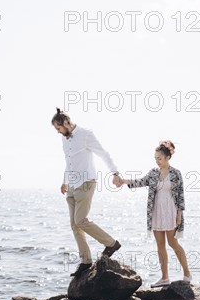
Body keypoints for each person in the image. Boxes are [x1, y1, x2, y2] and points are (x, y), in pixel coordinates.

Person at [51, 108, 123, 277]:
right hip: (71, 186)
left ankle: (111, 243)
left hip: (86, 182)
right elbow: (68, 162)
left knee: (81, 220)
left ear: (67, 123)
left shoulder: (85, 134)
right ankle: (86, 261)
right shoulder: (64, 139)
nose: (58, 132)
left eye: (59, 128)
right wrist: (64, 181)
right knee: (75, 225)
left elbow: (103, 154)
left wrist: (115, 173)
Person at [117, 140, 191, 287]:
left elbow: (181, 195)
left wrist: (179, 214)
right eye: (155, 158)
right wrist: (124, 181)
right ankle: (165, 278)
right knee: (160, 245)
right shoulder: (153, 173)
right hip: (156, 211)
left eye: (160, 158)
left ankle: (187, 274)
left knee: (173, 243)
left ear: (167, 157)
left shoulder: (176, 173)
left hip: (170, 211)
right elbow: (141, 181)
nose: (157, 161)